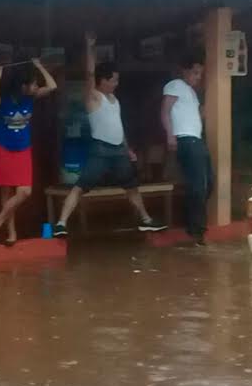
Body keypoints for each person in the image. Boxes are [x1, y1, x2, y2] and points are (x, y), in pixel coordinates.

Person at [53, 32, 167, 238]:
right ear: (102, 80)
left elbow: (118, 126)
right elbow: (89, 73)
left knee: (132, 187)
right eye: (113, 80)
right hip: (101, 150)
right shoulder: (93, 97)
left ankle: (146, 220)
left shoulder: (114, 99)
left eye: (117, 80)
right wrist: (90, 47)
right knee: (80, 187)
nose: (116, 83)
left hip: (118, 150)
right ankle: (61, 224)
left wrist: (128, 148)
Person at [0, 58, 57, 246]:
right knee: (6, 192)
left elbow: (52, 86)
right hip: (3, 146)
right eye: (33, 83)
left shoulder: (31, 97)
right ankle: (11, 233)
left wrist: (40, 66)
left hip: (23, 147)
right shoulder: (6, 98)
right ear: (23, 86)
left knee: (24, 191)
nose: (36, 86)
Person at [162, 55, 212, 246]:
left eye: (200, 73)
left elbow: (194, 116)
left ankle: (192, 223)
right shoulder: (175, 85)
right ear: (185, 71)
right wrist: (170, 135)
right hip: (186, 139)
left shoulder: (191, 92)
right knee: (198, 185)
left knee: (208, 183)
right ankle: (196, 231)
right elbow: (165, 111)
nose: (198, 77)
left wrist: (205, 108)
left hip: (196, 140)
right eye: (195, 72)